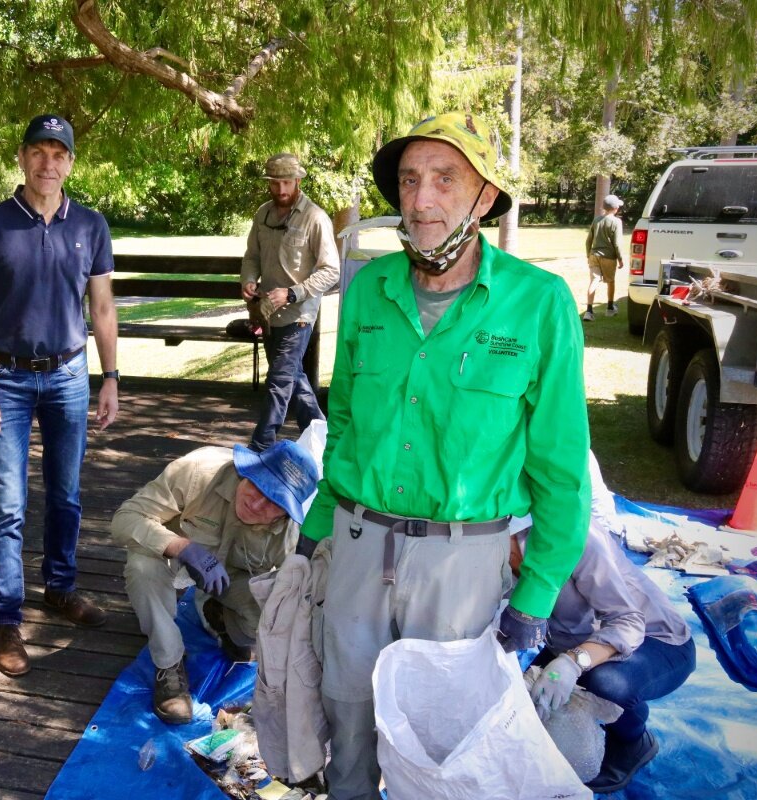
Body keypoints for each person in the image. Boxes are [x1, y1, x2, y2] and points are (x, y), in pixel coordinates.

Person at [298, 112, 590, 799]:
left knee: (445, 748)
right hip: (358, 543)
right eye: (408, 181)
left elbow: (562, 470)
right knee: (346, 715)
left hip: (463, 564)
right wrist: (315, 530)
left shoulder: (539, 303)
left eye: (445, 180)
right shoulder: (367, 286)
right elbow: (342, 420)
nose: (421, 200)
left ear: (485, 196)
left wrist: (539, 590)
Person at [0, 114, 119, 679]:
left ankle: (60, 587)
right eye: (39, 152)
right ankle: (6, 619)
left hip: (70, 377)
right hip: (5, 378)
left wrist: (111, 376)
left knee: (66, 494)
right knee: (7, 504)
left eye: (60, 154)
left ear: (71, 162)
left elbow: (101, 307)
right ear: (22, 158)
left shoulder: (92, 225)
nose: (49, 164)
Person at [111, 441, 318, 723]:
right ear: (248, 471)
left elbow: (290, 601)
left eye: (273, 502)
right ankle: (169, 666)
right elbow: (125, 519)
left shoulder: (287, 534)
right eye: (257, 486)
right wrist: (182, 547)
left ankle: (218, 614)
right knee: (142, 566)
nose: (257, 503)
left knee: (275, 610)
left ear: (285, 513)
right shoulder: (198, 470)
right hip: (173, 555)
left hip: (228, 577)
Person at [517, 515, 695, 793]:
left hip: (655, 640)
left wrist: (572, 663)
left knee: (606, 684)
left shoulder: (574, 534)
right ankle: (620, 706)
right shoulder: (486, 549)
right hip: (573, 643)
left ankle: (633, 740)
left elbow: (628, 623)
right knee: (523, 697)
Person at [241, 153, 340, 452]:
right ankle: (322, 438)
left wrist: (292, 292)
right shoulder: (263, 214)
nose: (281, 190)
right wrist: (248, 278)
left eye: (287, 182)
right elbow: (252, 256)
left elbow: (331, 270)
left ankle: (260, 447)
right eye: (275, 183)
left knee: (279, 381)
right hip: (268, 314)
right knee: (294, 379)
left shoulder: (315, 218)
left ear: (298, 181)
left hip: (299, 315)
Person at [584, 194, 626, 320]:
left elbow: (588, 240)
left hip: (594, 255)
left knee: (594, 281)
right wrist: (620, 259)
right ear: (615, 208)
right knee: (611, 281)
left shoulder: (597, 220)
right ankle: (610, 308)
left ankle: (589, 311)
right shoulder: (616, 222)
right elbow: (617, 243)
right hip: (609, 257)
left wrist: (588, 255)